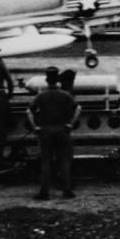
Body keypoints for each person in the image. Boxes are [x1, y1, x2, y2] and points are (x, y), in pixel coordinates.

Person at [29, 66, 81, 200]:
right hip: (63, 130)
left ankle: (44, 192)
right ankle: (67, 191)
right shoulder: (65, 95)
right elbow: (78, 109)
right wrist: (71, 124)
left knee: (46, 162)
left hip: (46, 131)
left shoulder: (41, 96)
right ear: (58, 80)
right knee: (64, 161)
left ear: (46, 80)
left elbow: (28, 111)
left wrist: (35, 126)